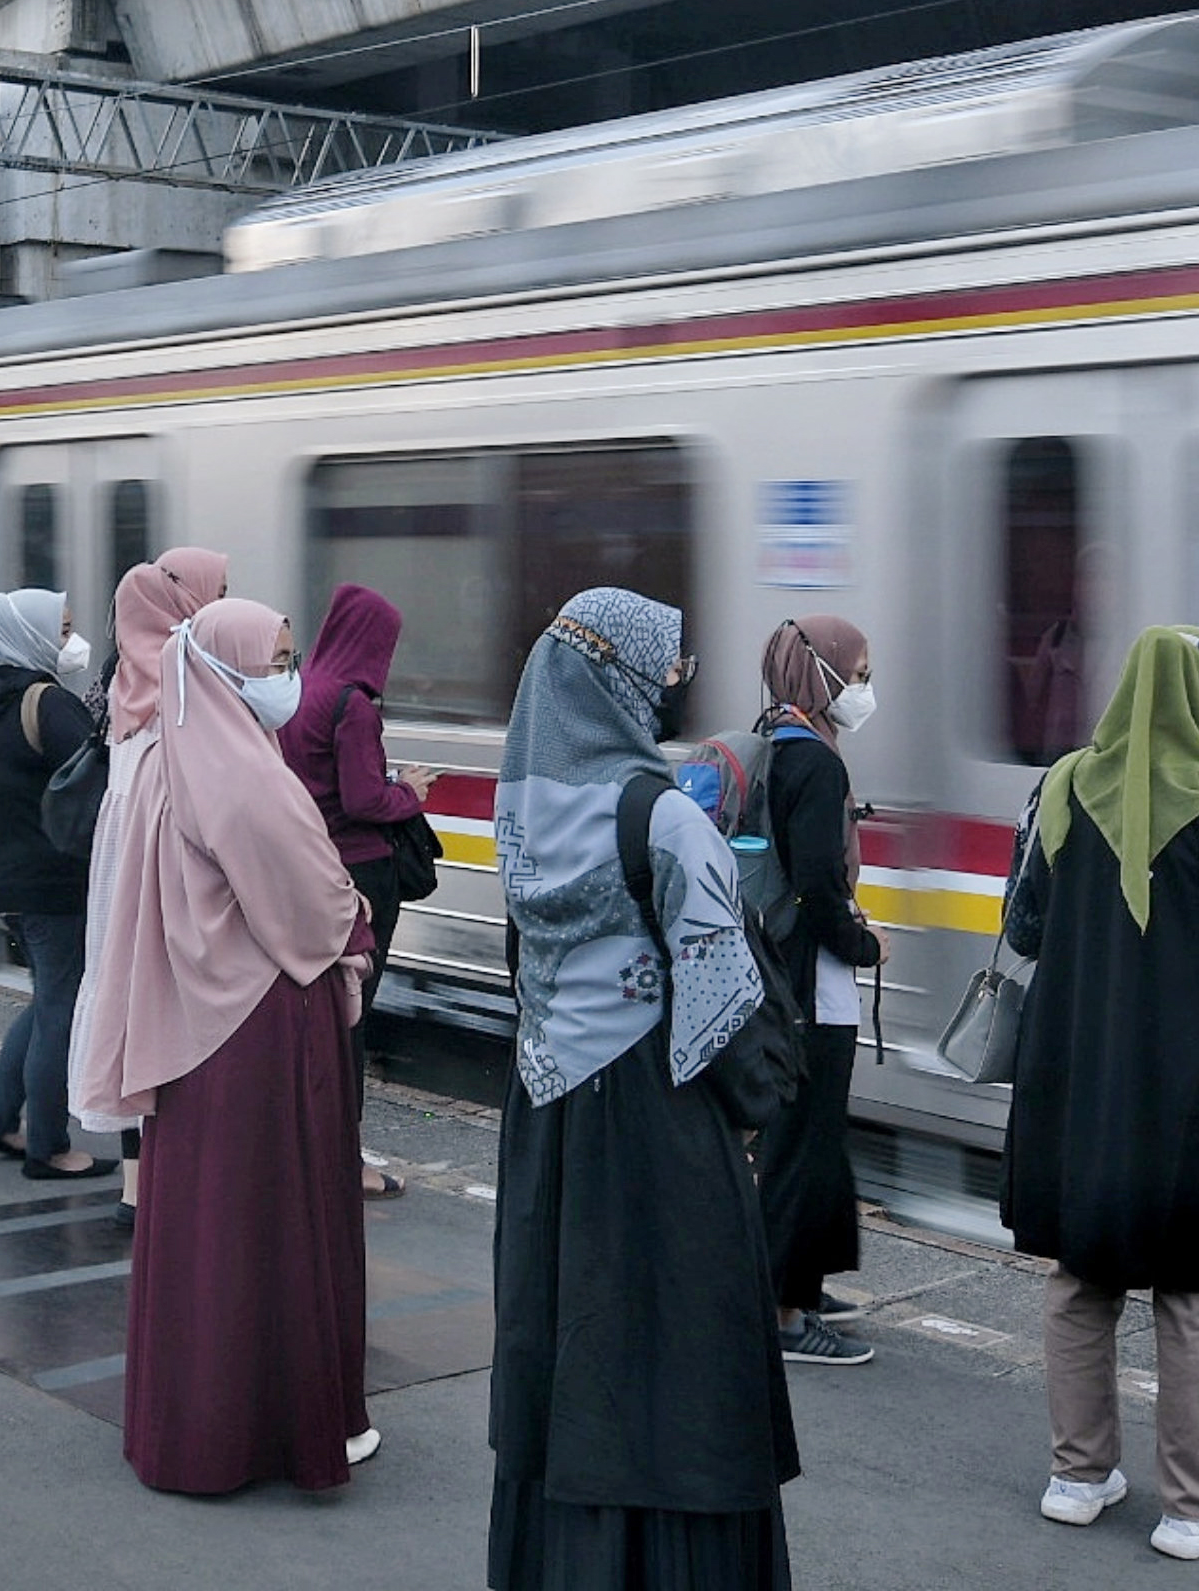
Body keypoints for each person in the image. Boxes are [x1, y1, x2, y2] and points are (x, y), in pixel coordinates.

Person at [487, 588, 797, 1590]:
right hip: (659, 1130)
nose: (671, 688)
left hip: (549, 1121)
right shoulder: (662, 816)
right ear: (617, 680)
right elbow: (726, 1015)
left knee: (568, 1350)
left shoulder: (519, 810)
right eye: (662, 669)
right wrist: (758, 1113)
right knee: (677, 1357)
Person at [1003, 625, 1199, 1561]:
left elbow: (1025, 923)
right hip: (1193, 1079)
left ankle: (1077, 1476)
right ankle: (1196, 1511)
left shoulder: (1054, 789)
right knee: (1197, 1288)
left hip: (1078, 1065)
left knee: (1082, 1271)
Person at [76, 596, 373, 1494]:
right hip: (261, 1028)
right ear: (225, 667)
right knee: (272, 1228)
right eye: (276, 659)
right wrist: (353, 926)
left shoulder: (171, 756)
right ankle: (278, 1429)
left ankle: (195, 1429)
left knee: (205, 1236)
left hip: (192, 1024)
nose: (289, 677)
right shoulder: (246, 777)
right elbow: (316, 902)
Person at [70, 547, 228, 1226]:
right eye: (216, 589)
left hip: (121, 856)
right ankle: (161, 1185)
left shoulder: (121, 673)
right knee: (161, 1014)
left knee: (128, 1009)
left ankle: (137, 1187)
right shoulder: (187, 680)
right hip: (159, 865)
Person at [753, 614, 889, 1367]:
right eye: (859, 671)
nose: (865, 687)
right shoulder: (820, 765)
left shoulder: (774, 741)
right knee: (804, 1144)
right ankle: (785, 1312)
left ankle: (803, 1282)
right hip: (810, 985)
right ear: (824, 671)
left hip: (776, 973)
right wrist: (862, 942)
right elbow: (815, 885)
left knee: (807, 1141)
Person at [278, 583, 440, 1199]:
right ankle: (347, 1160)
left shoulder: (302, 690)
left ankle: (304, 1147)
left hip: (311, 864)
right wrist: (411, 793)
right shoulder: (354, 705)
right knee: (352, 1015)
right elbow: (364, 798)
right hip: (363, 873)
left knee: (316, 1013)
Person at [0, 589, 113, 1179]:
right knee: (62, 1007)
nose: (72, 643)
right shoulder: (47, 702)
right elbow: (97, 771)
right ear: (30, 637)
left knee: (49, 997)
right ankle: (48, 1145)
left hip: (13, 878)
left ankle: (0, 1117)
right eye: (62, 631)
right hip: (57, 880)